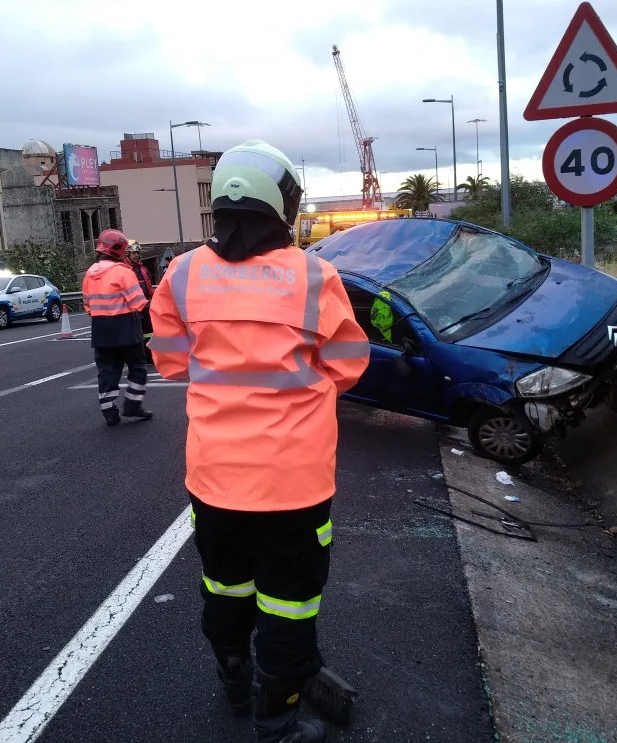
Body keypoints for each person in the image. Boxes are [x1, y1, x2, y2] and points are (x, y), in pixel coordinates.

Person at [149, 140, 370, 742]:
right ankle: (277, 723)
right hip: (294, 483)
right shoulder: (316, 276)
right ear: (285, 205)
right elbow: (349, 365)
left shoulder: (184, 273)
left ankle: (234, 680)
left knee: (225, 586)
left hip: (215, 477)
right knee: (289, 601)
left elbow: (171, 364)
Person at [82, 229, 153, 426]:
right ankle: (132, 404)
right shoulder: (123, 272)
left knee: (107, 371)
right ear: (121, 250)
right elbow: (139, 302)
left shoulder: (89, 274)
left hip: (100, 328)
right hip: (126, 326)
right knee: (137, 367)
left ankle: (109, 410)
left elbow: (87, 305)